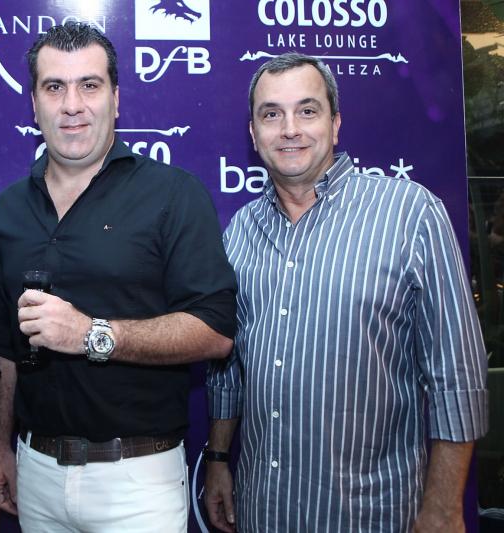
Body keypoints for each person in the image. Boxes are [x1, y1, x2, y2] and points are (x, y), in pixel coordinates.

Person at [204, 52, 489, 532]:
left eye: (307, 110)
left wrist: (443, 508)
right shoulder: (240, 233)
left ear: (335, 124)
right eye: (271, 114)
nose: (289, 129)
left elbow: (457, 376)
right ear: (253, 133)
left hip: (370, 515)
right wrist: (217, 458)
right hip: (262, 509)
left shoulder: (410, 214)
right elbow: (229, 370)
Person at [0, 22, 237, 532]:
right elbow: (8, 349)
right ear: (33, 104)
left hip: (137, 482)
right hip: (36, 471)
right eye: (54, 87)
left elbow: (215, 330)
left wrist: (92, 334)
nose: (72, 105)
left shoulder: (172, 194)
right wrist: (1, 448)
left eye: (90, 85)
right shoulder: (9, 209)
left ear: (116, 98)